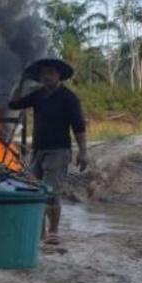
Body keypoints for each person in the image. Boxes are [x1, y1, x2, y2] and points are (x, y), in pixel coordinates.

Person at [9, 58, 88, 245]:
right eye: (44, 73)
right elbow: (13, 104)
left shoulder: (69, 98)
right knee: (34, 191)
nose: (47, 76)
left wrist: (83, 152)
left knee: (51, 192)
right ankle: (39, 231)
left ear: (59, 75)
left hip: (58, 151)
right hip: (38, 150)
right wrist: (21, 82)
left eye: (51, 73)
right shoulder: (38, 95)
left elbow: (78, 126)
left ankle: (53, 231)